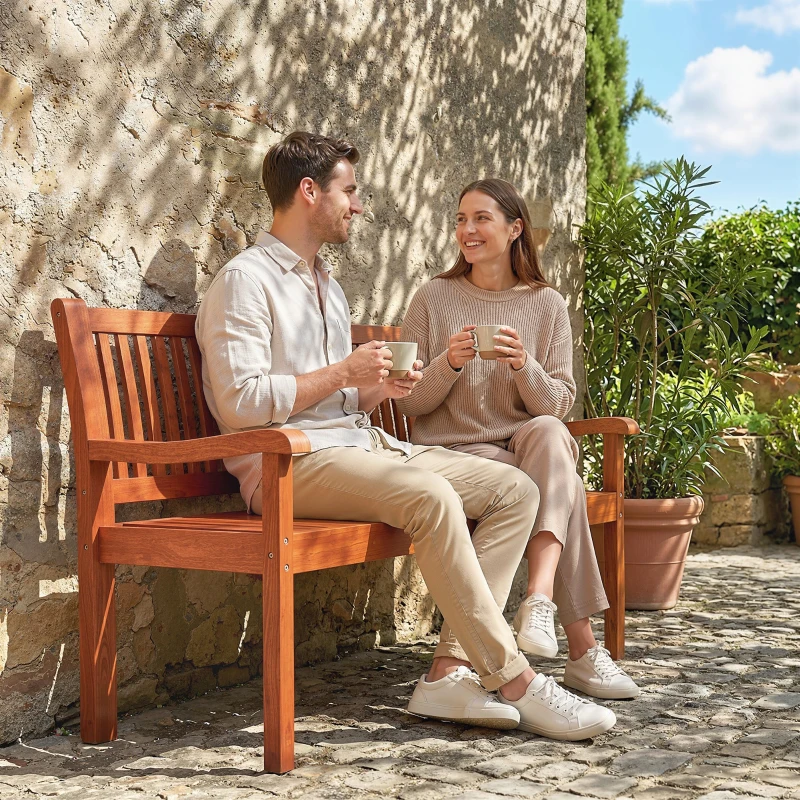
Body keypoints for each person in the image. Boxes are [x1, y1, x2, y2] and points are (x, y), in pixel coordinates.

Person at [195, 133, 617, 739]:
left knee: (516, 492)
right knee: (433, 497)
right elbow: (242, 404)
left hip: (358, 446)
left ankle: (447, 673)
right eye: (349, 191)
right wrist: (345, 373)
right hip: (287, 461)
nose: (358, 205)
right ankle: (517, 681)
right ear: (309, 192)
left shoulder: (326, 286)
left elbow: (338, 400)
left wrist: (377, 389)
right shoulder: (246, 280)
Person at [396, 178, 639, 700]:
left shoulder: (547, 304)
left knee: (550, 433)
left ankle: (539, 598)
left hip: (525, 448)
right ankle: (582, 650)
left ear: (514, 229)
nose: (467, 230)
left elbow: (557, 404)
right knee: (563, 488)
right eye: (461, 219)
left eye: (481, 218)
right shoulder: (433, 298)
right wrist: (448, 363)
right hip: (456, 453)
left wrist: (524, 365)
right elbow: (409, 402)